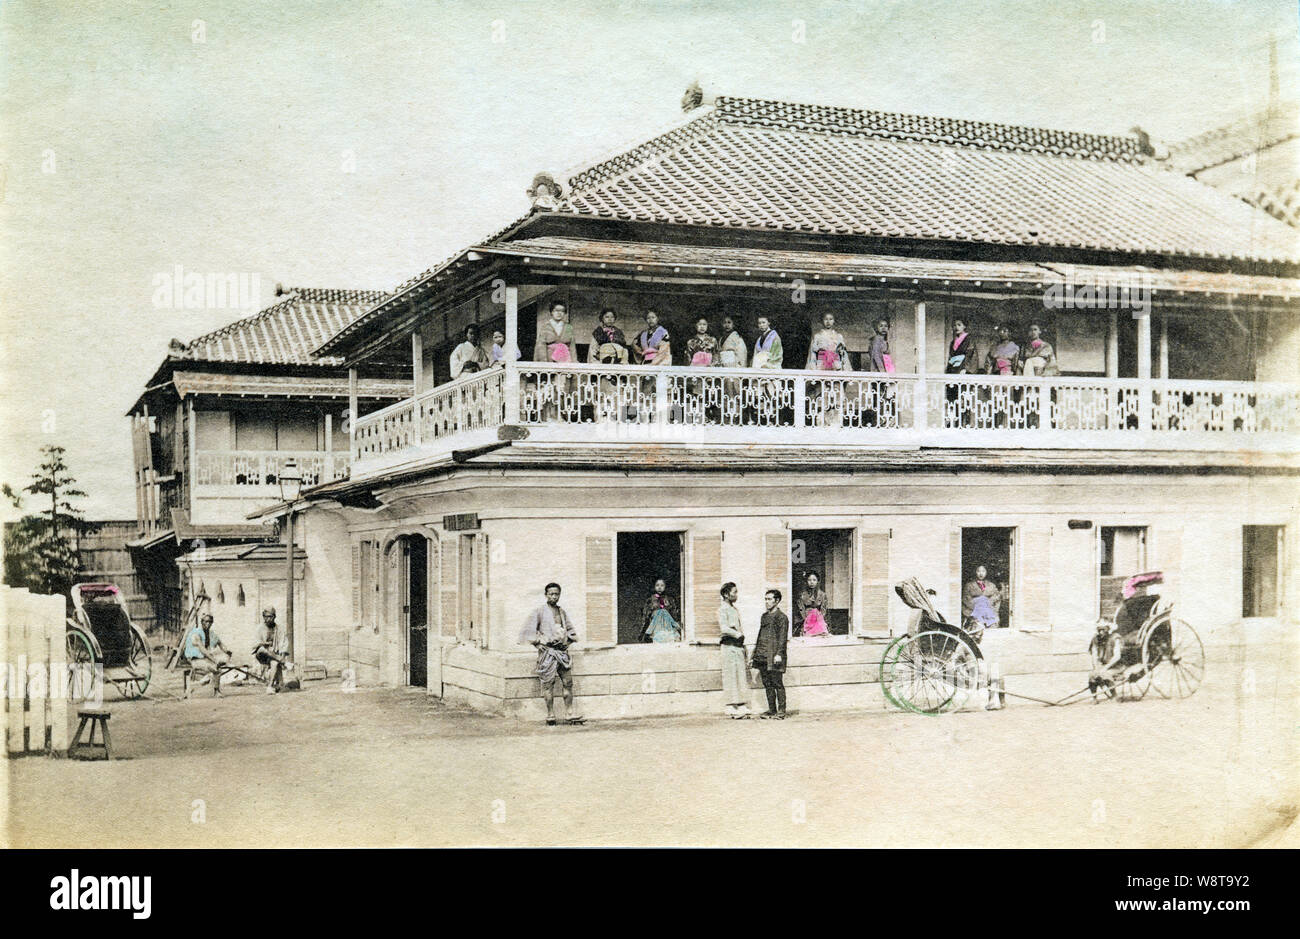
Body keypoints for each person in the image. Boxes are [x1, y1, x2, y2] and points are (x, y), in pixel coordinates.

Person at [520, 582, 583, 725]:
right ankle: (550, 714)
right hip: (548, 653)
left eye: (557, 594)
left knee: (568, 682)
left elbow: (571, 630)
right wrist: (537, 643)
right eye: (551, 594)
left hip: (561, 653)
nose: (554, 597)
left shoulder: (562, 612)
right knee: (549, 685)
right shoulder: (539, 611)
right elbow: (528, 630)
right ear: (546, 595)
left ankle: (569, 713)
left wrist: (568, 642)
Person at [751, 589, 789, 719]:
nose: (766, 602)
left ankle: (781, 711)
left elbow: (783, 638)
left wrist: (779, 654)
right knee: (767, 684)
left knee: (777, 683)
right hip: (762, 655)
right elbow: (760, 636)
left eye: (769, 599)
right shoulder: (764, 616)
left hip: (774, 655)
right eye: (765, 599)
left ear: (777, 601)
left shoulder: (782, 617)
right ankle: (772, 710)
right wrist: (754, 655)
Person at [717, 582, 750, 718]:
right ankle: (730, 706)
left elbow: (739, 627)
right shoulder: (722, 609)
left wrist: (743, 645)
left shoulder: (734, 609)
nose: (736, 595)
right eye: (734, 592)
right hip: (729, 645)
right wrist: (737, 634)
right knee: (730, 675)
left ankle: (741, 704)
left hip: (737, 646)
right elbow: (724, 628)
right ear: (726, 594)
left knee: (740, 675)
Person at [183, 612, 231, 697]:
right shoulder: (196, 633)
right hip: (195, 659)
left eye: (210, 622)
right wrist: (215, 661)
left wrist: (227, 651)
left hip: (205, 659)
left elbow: (220, 643)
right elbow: (203, 650)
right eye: (206, 621)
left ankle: (212, 683)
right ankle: (216, 691)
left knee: (219, 664)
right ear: (202, 622)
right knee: (217, 669)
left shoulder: (211, 634)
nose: (208, 624)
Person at [945, 317, 979, 427]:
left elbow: (970, 356)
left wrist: (965, 368)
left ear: (964, 326)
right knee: (953, 398)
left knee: (963, 397)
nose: (956, 327)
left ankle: (965, 423)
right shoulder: (952, 342)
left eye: (959, 324)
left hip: (963, 370)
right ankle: (953, 422)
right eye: (954, 325)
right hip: (953, 370)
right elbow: (951, 357)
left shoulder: (969, 340)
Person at [252, 606, 290, 694]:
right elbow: (255, 644)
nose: (268, 619)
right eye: (266, 617)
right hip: (263, 655)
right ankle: (279, 660)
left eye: (270, 616)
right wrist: (264, 643)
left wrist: (282, 656)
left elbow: (284, 644)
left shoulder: (279, 629)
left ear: (274, 617)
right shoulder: (259, 628)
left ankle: (270, 686)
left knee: (275, 663)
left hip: (274, 655)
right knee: (262, 649)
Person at [962, 565, 1001, 637]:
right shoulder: (969, 585)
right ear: (975, 572)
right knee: (977, 627)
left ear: (986, 572)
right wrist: (978, 606)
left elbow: (997, 598)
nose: (981, 573)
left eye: (983, 571)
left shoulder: (992, 585)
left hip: (989, 611)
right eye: (978, 571)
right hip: (975, 612)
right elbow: (966, 599)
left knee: (993, 627)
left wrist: (991, 607)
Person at [641, 578, 682, 642]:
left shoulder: (669, 599)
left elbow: (674, 612)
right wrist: (643, 630)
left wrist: (676, 622)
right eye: (657, 585)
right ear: (654, 587)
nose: (659, 587)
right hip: (656, 624)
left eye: (662, 585)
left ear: (665, 587)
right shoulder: (650, 600)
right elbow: (646, 614)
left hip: (667, 624)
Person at [797, 572, 830, 637]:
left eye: (814, 580)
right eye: (809, 580)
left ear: (817, 581)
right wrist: (806, 619)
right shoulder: (802, 595)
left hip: (819, 620)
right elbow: (801, 609)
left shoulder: (822, 595)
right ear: (806, 581)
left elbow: (824, 609)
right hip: (806, 620)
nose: (812, 582)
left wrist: (818, 618)